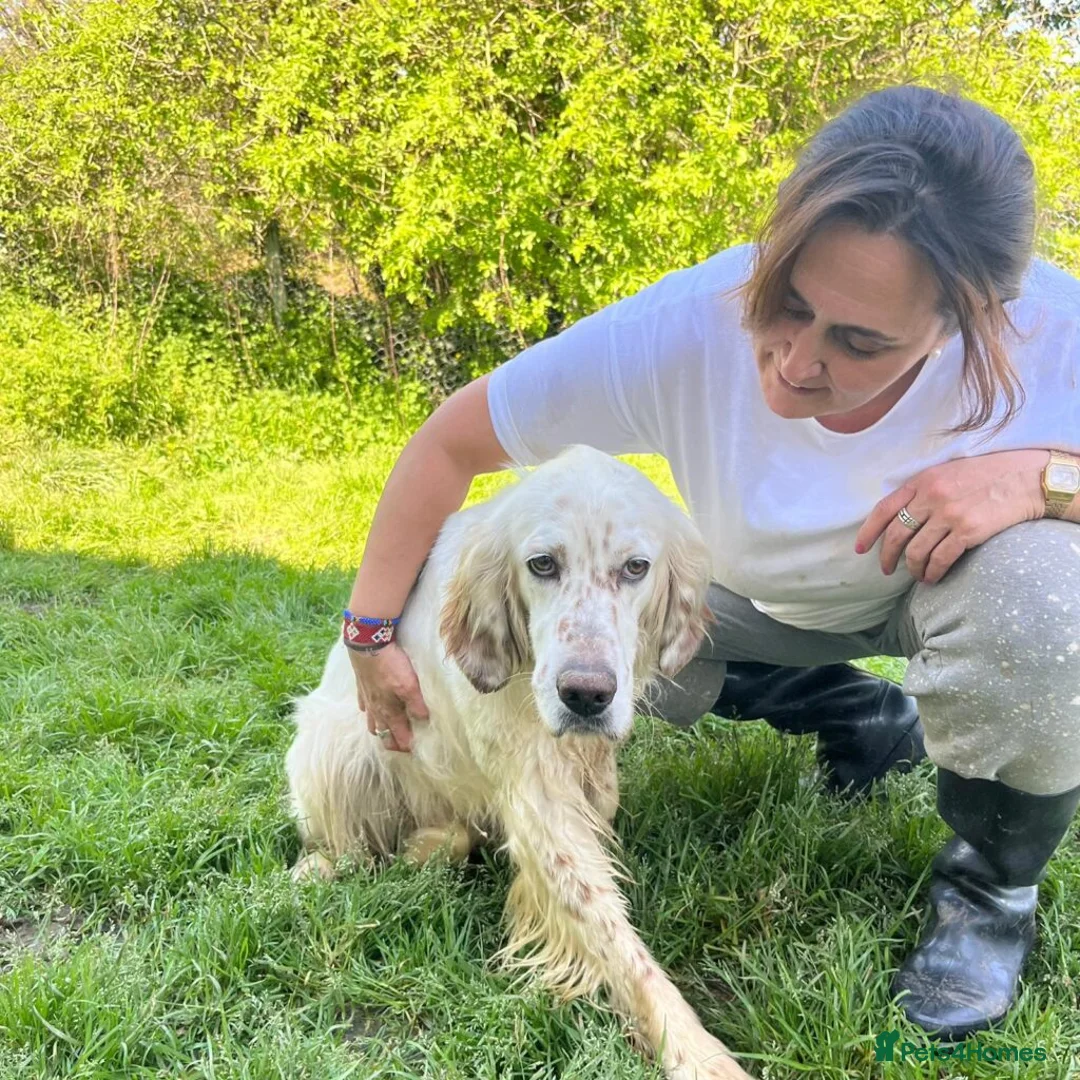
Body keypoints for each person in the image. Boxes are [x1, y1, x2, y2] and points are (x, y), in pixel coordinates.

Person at [340, 85, 1080, 1041]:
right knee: (618, 615)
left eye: (860, 342)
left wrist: (1046, 481)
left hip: (953, 590)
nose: (794, 363)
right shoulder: (690, 319)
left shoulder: (1057, 329)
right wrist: (367, 629)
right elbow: (450, 443)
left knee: (1043, 608)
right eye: (788, 304)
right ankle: (858, 713)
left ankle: (991, 893)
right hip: (759, 597)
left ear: (968, 320)